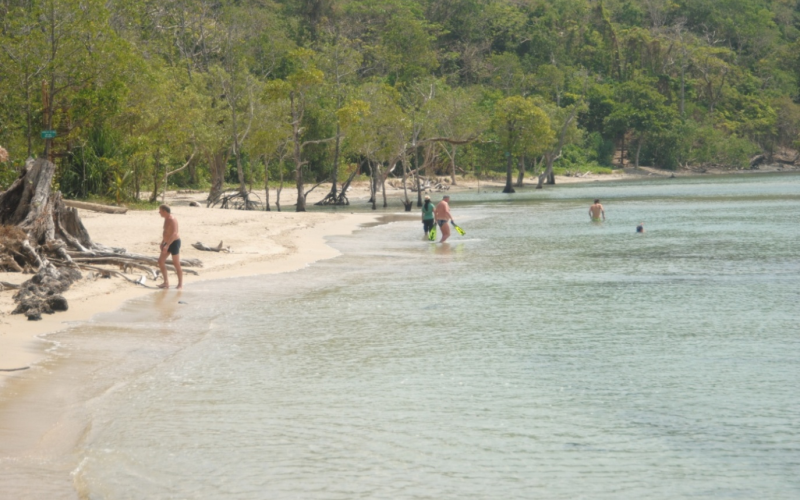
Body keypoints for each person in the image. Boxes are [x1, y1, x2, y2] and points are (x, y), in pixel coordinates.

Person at [157, 204, 183, 289]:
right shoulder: (166, 219)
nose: (159, 212)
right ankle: (166, 282)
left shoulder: (172, 220)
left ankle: (180, 284)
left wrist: (167, 245)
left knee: (176, 263)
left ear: (164, 211)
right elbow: (166, 232)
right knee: (161, 261)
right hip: (167, 242)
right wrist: (163, 242)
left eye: (160, 211)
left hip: (174, 243)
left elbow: (174, 233)